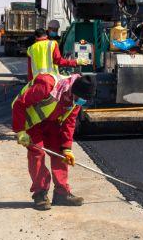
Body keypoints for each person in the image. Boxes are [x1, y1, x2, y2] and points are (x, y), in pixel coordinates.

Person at [12, 73, 96, 210]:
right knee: (37, 153)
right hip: (32, 121)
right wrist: (20, 131)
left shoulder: (75, 100)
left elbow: (69, 123)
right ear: (74, 91)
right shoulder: (47, 85)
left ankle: (62, 193)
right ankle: (40, 193)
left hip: (51, 122)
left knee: (60, 153)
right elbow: (20, 104)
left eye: (84, 100)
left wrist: (67, 148)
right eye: (80, 98)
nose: (81, 102)